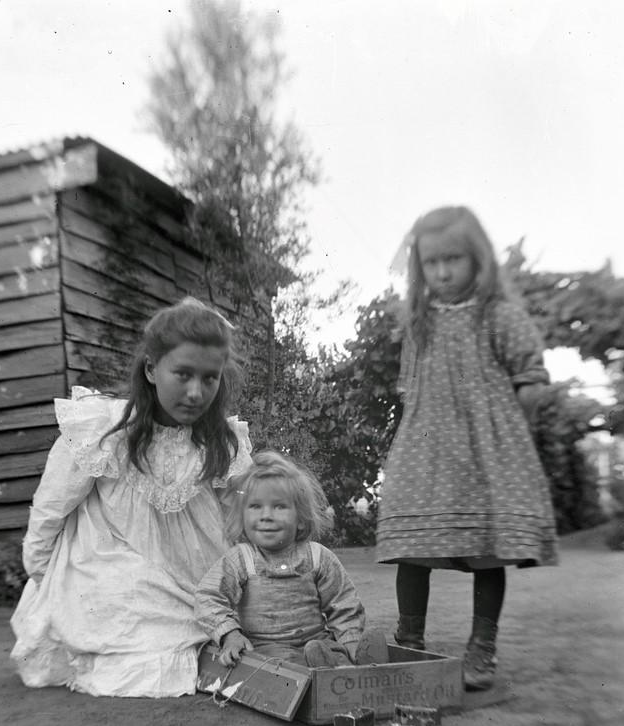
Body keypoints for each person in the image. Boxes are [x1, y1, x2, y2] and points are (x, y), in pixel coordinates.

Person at [10, 297, 252, 698]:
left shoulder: (222, 442)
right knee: (139, 642)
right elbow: (52, 507)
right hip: (114, 559)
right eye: (183, 374)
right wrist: (43, 579)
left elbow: (238, 514)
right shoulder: (103, 431)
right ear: (152, 369)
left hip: (194, 567)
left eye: (209, 378)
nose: (195, 392)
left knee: (224, 622)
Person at [376, 206, 558, 691]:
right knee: (409, 546)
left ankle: (482, 646)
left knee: (487, 550)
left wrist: (518, 429)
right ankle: (408, 640)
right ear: (420, 267)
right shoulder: (419, 321)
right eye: (432, 262)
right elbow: (410, 387)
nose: (442, 271)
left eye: (453, 259)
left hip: (486, 448)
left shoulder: (498, 315)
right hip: (427, 448)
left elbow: (530, 377)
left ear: (477, 258)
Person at [195, 450, 376, 669]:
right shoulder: (241, 558)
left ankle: (360, 663)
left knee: (333, 652)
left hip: (317, 641)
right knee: (284, 666)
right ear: (243, 516)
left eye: (279, 506)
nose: (266, 515)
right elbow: (208, 597)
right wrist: (229, 633)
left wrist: (351, 642)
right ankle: (327, 672)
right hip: (267, 647)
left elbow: (344, 604)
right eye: (255, 506)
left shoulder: (318, 556)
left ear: (300, 519)